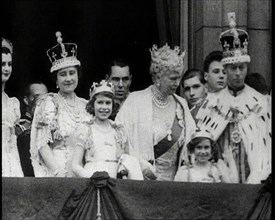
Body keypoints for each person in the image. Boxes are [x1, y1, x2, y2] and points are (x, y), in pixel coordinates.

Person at [195, 13, 271, 184]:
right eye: (233, 68)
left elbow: (266, 147)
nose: (237, 73)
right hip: (221, 181)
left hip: (254, 182)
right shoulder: (211, 103)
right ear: (225, 69)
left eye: (241, 68)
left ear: (246, 68)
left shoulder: (260, 102)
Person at [116, 44, 196, 181]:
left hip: (174, 185)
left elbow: (192, 142)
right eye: (172, 78)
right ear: (158, 77)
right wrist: (141, 166)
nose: (177, 83)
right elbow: (119, 138)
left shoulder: (181, 104)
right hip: (141, 181)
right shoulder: (135, 100)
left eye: (179, 78)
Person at [30, 32, 90, 177]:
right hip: (58, 172)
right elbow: (42, 143)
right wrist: (57, 171)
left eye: (72, 73)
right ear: (56, 80)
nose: (68, 78)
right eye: (63, 74)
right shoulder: (49, 103)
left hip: (84, 172)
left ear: (78, 75)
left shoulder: (87, 105)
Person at [72, 80, 143, 180]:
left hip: (115, 183)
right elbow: (75, 165)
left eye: (108, 103)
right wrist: (91, 178)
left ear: (113, 105)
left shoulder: (119, 130)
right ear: (93, 105)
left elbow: (128, 159)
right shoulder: (86, 129)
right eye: (100, 102)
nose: (104, 107)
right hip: (93, 181)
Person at [2, 37, 24, 177]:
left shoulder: (12, 103)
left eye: (9, 64)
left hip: (9, 162)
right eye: (2, 64)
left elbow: (12, 142)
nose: (6, 68)